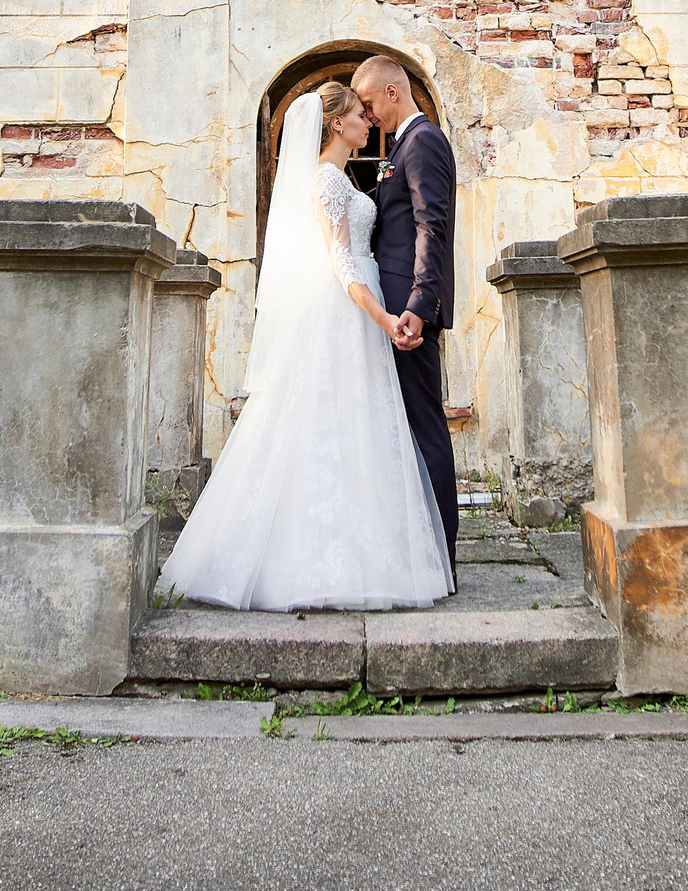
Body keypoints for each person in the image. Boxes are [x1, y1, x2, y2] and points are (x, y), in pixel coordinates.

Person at [153, 82, 454, 611]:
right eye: (360, 115)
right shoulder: (325, 181)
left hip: (358, 310)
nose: (369, 122)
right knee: (326, 422)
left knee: (356, 425)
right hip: (349, 307)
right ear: (337, 123)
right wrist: (383, 315)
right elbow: (340, 260)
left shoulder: (342, 176)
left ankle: (365, 546)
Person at [351, 53, 459, 564]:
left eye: (369, 104)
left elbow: (429, 226)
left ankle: (442, 556)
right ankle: (416, 551)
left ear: (392, 93)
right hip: (394, 305)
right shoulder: (403, 146)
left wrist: (417, 303)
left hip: (408, 311)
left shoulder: (424, 142)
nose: (367, 115)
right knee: (402, 425)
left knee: (424, 424)